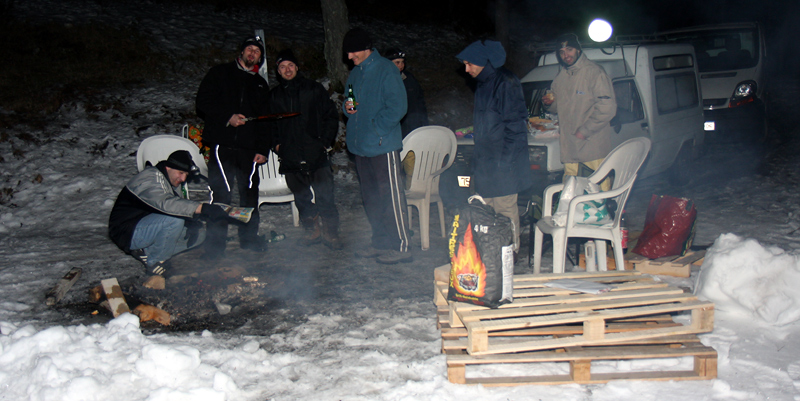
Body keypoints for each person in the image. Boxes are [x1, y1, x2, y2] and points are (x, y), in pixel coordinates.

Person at [196, 36, 272, 259]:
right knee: (221, 194)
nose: (252, 53)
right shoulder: (220, 73)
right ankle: (214, 246)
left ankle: (249, 239)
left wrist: (262, 149)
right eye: (249, 49)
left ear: (260, 58)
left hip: (249, 149)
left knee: (249, 194)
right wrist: (227, 118)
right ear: (241, 53)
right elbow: (202, 103)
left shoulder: (260, 84)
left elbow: (264, 120)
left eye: (256, 51)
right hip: (223, 144)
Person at [342, 27, 411, 264]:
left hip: (383, 146)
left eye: (352, 52)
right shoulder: (356, 74)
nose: (349, 57)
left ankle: (401, 246)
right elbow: (348, 98)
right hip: (361, 147)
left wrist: (377, 128)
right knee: (371, 198)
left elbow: (398, 107)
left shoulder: (386, 70)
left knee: (390, 196)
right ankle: (380, 242)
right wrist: (347, 107)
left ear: (366, 48)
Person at [108, 150, 231, 282]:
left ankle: (146, 252)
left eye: (186, 175)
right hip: (126, 232)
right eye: (181, 173)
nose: (183, 179)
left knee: (198, 233)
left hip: (147, 226)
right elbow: (165, 203)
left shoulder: (170, 181)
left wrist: (191, 222)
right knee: (174, 221)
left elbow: (177, 208)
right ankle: (155, 262)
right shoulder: (150, 178)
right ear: (168, 167)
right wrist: (201, 207)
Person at [456, 39, 531, 253]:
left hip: (504, 161)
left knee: (505, 209)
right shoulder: (483, 83)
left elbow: (515, 126)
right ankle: (490, 252)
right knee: (484, 208)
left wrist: (505, 162)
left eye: (470, 64)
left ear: (483, 62)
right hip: (487, 162)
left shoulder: (506, 82)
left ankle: (510, 253)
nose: (466, 69)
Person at [267, 49, 342, 250]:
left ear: (297, 67)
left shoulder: (313, 89)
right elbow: (269, 125)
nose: (287, 69)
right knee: (301, 196)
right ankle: (312, 229)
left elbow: (330, 116)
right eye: (282, 67)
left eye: (290, 65)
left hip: (315, 152)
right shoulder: (274, 96)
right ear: (278, 71)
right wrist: (276, 145)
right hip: (290, 155)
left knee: (325, 193)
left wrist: (324, 141)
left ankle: (330, 231)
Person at [542, 33, 616, 191]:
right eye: (561, 52)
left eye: (569, 49)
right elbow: (557, 107)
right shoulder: (561, 77)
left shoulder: (594, 72)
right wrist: (550, 103)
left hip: (592, 146)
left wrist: (585, 131)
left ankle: (607, 215)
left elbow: (607, 108)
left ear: (578, 50)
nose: (565, 55)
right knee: (570, 192)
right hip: (569, 148)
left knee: (599, 188)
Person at [384, 48, 429, 138]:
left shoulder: (408, 78)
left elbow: (419, 101)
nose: (401, 65)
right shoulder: (383, 80)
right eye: (397, 62)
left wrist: (423, 123)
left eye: (402, 62)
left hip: (411, 124)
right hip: (393, 126)